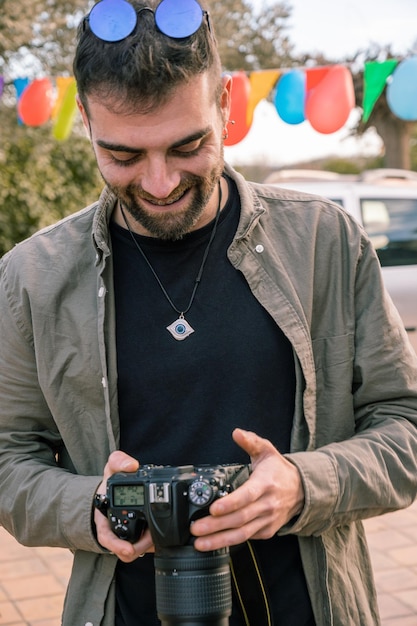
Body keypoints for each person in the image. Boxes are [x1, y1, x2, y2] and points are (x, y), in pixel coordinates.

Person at [0, 0, 417, 624]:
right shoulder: (32, 277)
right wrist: (88, 504)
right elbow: (9, 458)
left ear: (226, 104)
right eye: (124, 156)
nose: (161, 183)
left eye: (187, 146)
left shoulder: (326, 241)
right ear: (84, 119)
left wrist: (305, 484)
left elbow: (405, 426)